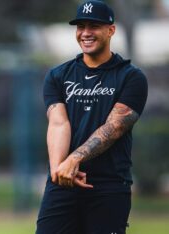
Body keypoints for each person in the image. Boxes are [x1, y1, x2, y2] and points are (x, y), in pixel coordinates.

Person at [36, 1, 148, 234]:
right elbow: (58, 123)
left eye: (94, 26)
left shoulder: (131, 77)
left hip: (109, 186)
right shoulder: (58, 75)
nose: (86, 33)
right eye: (81, 26)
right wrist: (60, 170)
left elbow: (115, 127)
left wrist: (74, 159)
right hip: (63, 184)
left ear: (111, 30)